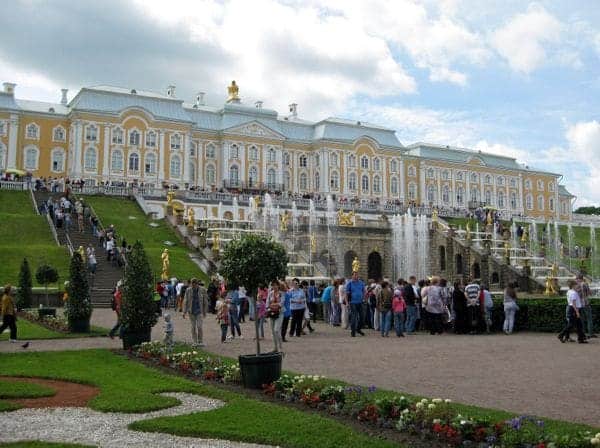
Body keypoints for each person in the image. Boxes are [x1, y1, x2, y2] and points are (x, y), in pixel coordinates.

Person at [183, 278, 209, 347]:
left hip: (199, 310)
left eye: (194, 285)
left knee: (199, 326)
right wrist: (184, 311)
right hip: (191, 311)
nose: (193, 286)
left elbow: (205, 301)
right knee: (193, 327)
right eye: (192, 285)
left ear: (197, 284)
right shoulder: (188, 290)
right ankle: (195, 341)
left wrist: (205, 311)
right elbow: (185, 300)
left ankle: (200, 341)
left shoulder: (203, 290)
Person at [576, 274, 596, 339]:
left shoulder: (576, 286)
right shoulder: (585, 284)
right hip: (586, 303)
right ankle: (590, 333)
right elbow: (589, 293)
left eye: (577, 278)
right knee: (589, 318)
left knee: (582, 319)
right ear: (582, 278)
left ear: (579, 279)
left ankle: (583, 333)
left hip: (579, 304)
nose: (576, 280)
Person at [346, 271, 365, 337]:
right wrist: (347, 303)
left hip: (360, 302)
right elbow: (347, 294)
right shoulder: (349, 283)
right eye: (355, 275)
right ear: (352, 276)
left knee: (362, 317)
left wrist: (364, 298)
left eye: (357, 275)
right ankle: (353, 331)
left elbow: (363, 291)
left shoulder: (361, 283)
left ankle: (358, 329)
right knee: (353, 318)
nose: (356, 276)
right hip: (352, 302)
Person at [267, 281, 284, 352]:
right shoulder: (270, 293)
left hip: (279, 313)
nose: (274, 287)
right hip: (271, 313)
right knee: (273, 332)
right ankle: (275, 347)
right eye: (273, 285)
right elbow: (267, 303)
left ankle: (280, 347)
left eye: (275, 285)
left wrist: (273, 304)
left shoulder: (281, 293)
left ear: (278, 286)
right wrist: (270, 306)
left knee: (276, 330)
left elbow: (281, 303)